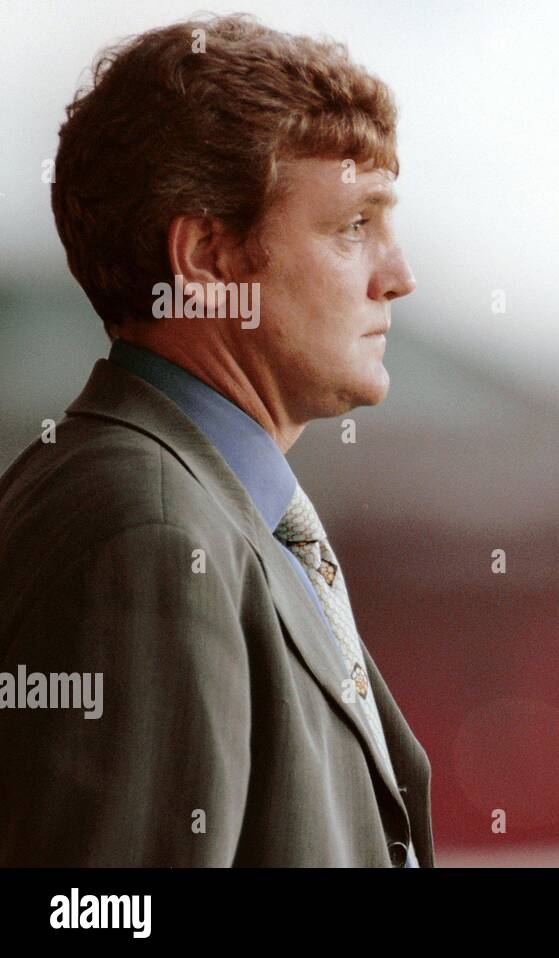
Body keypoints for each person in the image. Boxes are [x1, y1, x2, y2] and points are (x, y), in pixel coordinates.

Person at [0, 14, 433, 867]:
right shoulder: (150, 537)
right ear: (204, 256)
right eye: (352, 226)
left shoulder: (173, 506)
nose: (399, 276)